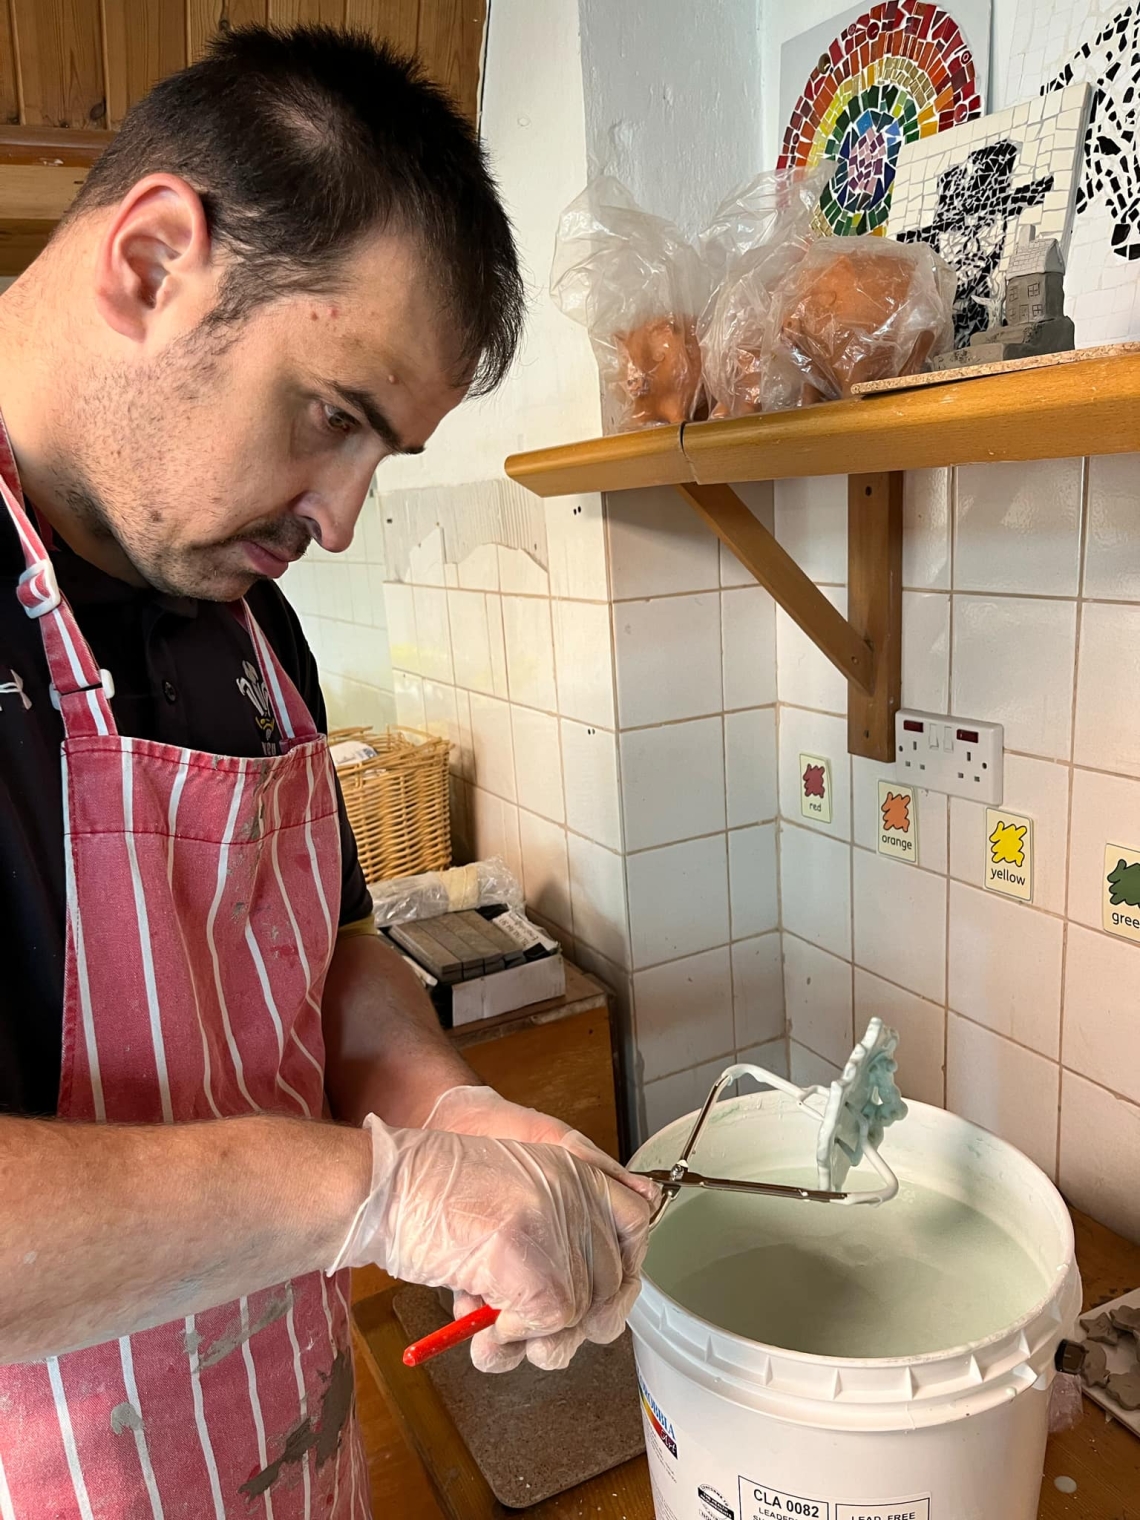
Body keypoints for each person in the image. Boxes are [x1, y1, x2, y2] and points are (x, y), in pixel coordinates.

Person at [0, 26, 655, 1519]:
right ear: (157, 259)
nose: (345, 518)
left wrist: (449, 1114)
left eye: (385, 457)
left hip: (284, 1453)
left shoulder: (247, 614)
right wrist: (381, 1193)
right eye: (335, 417)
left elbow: (330, 958)